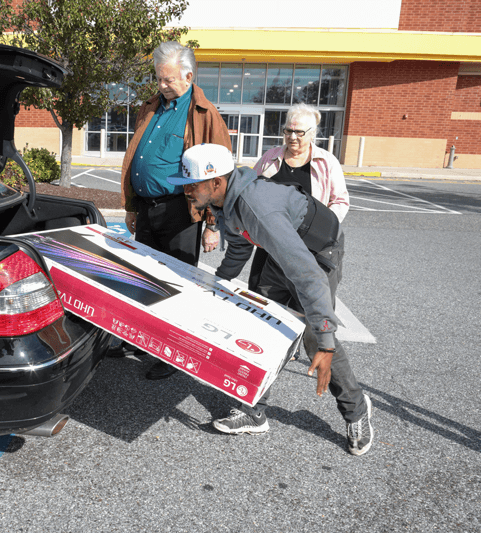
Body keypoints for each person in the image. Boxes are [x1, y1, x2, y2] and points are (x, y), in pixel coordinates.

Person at [167, 143, 373, 456]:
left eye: (192, 185)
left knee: (314, 339)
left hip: (317, 253)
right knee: (260, 324)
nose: (186, 192)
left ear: (216, 183)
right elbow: (239, 244)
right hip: (281, 250)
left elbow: (310, 277)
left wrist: (326, 341)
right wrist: (219, 285)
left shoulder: (256, 208)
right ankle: (253, 411)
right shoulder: (226, 200)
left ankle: (356, 411)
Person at [118, 41, 230, 380]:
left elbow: (218, 175)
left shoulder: (204, 114)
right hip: (147, 208)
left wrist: (213, 224)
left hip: (180, 211)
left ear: (188, 76)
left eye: (168, 80)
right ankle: (141, 340)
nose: (162, 86)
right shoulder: (152, 107)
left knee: (177, 284)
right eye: (159, 79)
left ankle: (172, 352)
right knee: (145, 278)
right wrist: (132, 205)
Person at [216, 103, 349, 293]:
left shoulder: (327, 162)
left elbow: (340, 201)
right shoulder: (271, 157)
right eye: (288, 131)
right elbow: (248, 188)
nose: (292, 137)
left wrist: (321, 229)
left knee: (300, 300)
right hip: (268, 241)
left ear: (313, 133)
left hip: (307, 245)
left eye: (299, 132)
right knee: (261, 295)